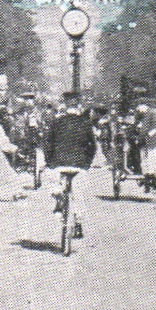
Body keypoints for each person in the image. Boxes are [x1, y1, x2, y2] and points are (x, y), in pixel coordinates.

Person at [46, 94, 99, 239]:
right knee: (78, 194)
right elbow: (93, 147)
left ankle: (59, 201)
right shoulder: (85, 123)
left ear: (65, 107)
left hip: (59, 164)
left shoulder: (56, 122)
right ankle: (78, 223)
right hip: (79, 165)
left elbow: (47, 144)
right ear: (78, 107)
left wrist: (50, 162)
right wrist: (87, 163)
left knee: (55, 184)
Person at [0, 107, 25, 201]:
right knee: (6, 172)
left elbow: (2, 140)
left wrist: (11, 148)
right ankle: (17, 191)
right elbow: (1, 141)